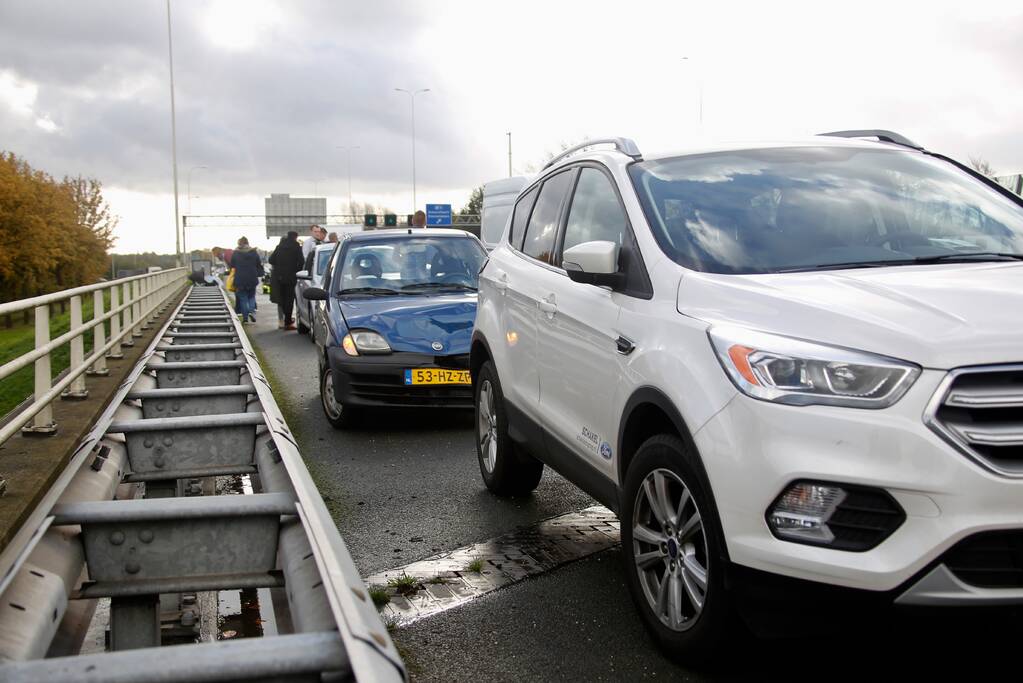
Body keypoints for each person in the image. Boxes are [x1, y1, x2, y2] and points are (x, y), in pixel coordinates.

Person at [268, 231, 304, 330]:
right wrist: (297, 271)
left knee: (282, 298)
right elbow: (301, 261)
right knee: (289, 299)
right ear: (295, 237)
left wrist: (279, 266)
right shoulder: (296, 246)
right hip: (291, 277)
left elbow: (271, 260)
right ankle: (288, 321)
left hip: (279, 276)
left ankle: (284, 319)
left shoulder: (279, 247)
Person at [229, 236, 263, 323]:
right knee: (251, 297)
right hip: (252, 278)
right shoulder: (253, 252)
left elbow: (232, 265)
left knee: (243, 298)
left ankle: (245, 318)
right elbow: (258, 264)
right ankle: (251, 311)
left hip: (240, 278)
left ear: (239, 243)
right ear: (247, 243)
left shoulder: (236, 253)